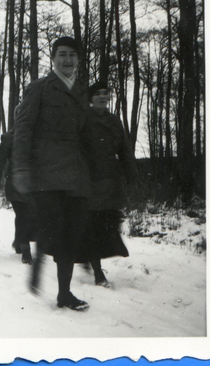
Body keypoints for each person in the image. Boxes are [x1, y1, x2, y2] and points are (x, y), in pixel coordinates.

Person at [12, 36, 91, 311]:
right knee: (52, 229)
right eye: (62, 54)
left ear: (78, 59)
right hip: (46, 173)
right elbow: (22, 131)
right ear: (53, 58)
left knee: (71, 233)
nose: (67, 60)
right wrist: (21, 168)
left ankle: (64, 294)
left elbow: (87, 134)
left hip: (76, 174)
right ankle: (39, 260)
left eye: (72, 55)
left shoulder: (82, 91)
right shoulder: (38, 89)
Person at [83, 82, 138, 287]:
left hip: (111, 181)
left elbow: (124, 148)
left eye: (106, 94)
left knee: (109, 225)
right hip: (89, 181)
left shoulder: (114, 121)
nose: (103, 97)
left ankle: (90, 258)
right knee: (92, 227)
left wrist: (131, 173)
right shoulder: (83, 119)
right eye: (98, 94)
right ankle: (98, 273)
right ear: (91, 98)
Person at [0, 130, 38, 265]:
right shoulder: (9, 138)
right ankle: (25, 250)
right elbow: (0, 161)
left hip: (33, 185)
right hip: (15, 184)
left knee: (28, 215)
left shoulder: (36, 135)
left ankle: (19, 240)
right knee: (23, 215)